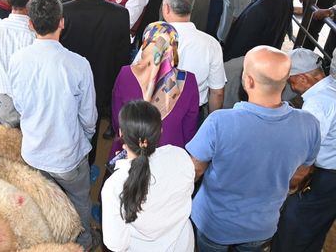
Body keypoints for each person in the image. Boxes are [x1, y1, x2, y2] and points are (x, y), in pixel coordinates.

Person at [186, 46, 321, 251]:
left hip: (214, 222)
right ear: (285, 81)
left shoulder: (219, 122)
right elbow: (300, 174)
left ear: (248, 80)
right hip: (262, 225)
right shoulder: (309, 124)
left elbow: (195, 170)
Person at [9, 0, 97, 251]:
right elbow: (89, 116)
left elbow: (20, 105)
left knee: (44, 202)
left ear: (30, 24)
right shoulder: (78, 64)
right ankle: (85, 241)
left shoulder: (17, 60)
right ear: (62, 22)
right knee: (80, 199)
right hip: (68, 155)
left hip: (33, 152)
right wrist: (85, 138)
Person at [61, 0, 131, 163]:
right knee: (93, 124)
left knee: (67, 122)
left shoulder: (65, 10)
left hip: (70, 82)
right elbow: (123, 56)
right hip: (102, 83)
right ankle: (89, 163)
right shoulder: (120, 14)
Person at [101, 100, 195, 251]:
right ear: (160, 132)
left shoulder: (114, 185)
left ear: (121, 133)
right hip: (181, 244)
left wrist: (124, 167)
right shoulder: (179, 155)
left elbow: (116, 244)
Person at [270, 49, 336, 251]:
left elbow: (305, 157)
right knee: (316, 227)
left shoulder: (315, 106)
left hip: (323, 177)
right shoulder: (331, 86)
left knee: (293, 226)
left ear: (304, 78)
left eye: (290, 80)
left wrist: (289, 187)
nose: (289, 85)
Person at [111, 22, 199, 154]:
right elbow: (189, 130)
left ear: (145, 44)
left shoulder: (125, 74)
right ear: (174, 48)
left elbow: (117, 120)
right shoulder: (188, 81)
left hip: (130, 151)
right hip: (169, 157)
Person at [161, 0, 225, 121]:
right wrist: (211, 121)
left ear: (166, 8)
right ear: (191, 7)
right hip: (193, 113)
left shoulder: (155, 38)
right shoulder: (211, 44)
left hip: (157, 110)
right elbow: (217, 92)